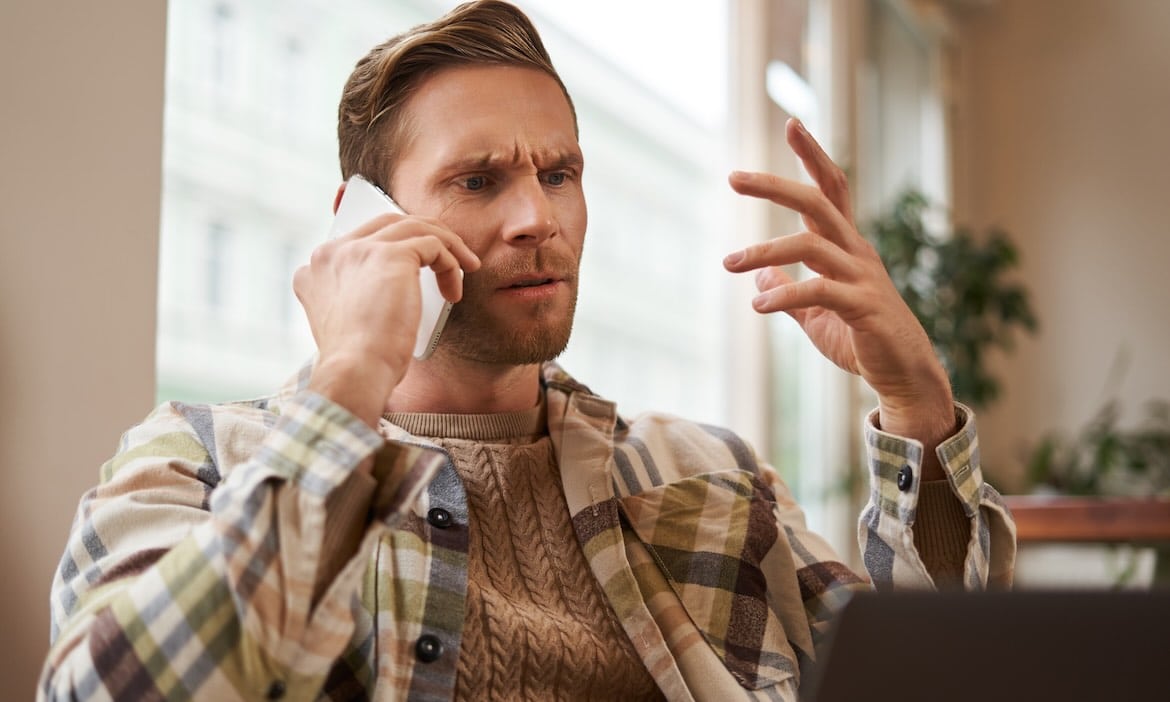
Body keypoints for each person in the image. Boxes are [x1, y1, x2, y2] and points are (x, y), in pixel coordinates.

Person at [39, 2, 1015, 700]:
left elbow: (939, 681)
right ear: (362, 223)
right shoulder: (202, 465)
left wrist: (918, 406)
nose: (537, 218)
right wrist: (348, 380)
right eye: (478, 180)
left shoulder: (709, 473)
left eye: (559, 173)